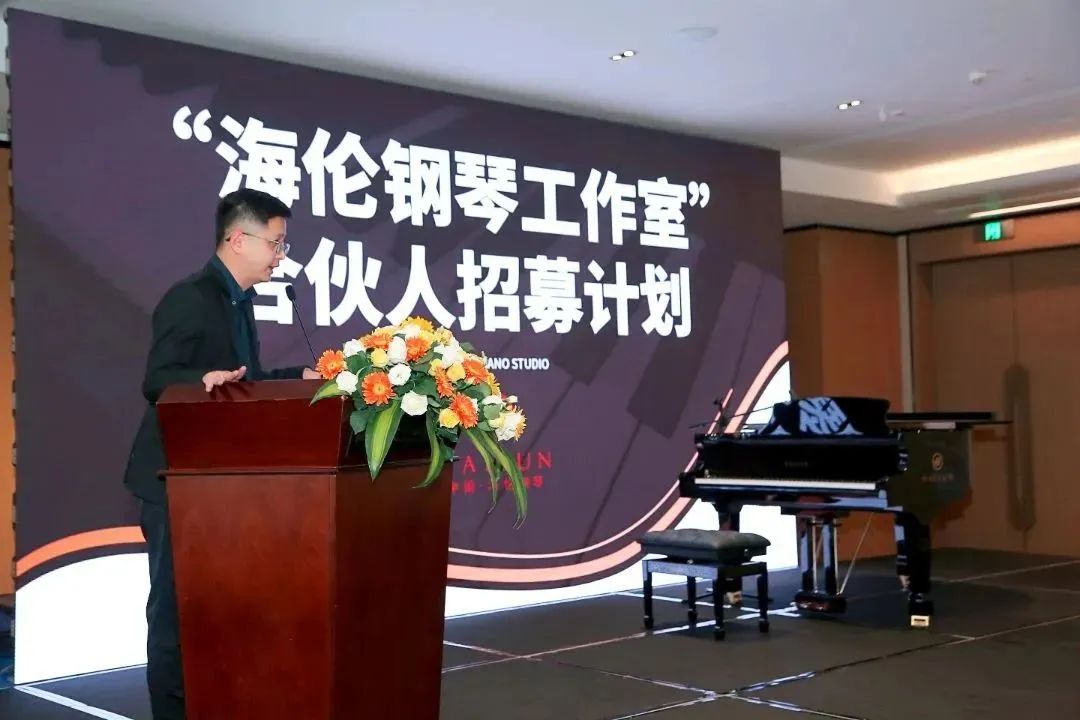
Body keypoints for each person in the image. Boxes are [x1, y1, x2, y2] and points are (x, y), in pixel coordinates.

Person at [123, 188, 320, 719]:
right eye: (276, 244)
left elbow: (244, 382)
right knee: (175, 614)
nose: (281, 256)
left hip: (219, 484)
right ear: (238, 240)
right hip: (175, 480)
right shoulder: (191, 297)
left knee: (218, 611)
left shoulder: (240, 302)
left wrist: (296, 377)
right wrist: (201, 380)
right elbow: (157, 379)